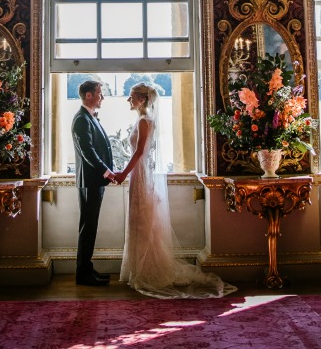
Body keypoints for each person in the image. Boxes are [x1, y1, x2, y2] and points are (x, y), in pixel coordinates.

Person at [112, 83, 236, 299]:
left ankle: (147, 270)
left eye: (131, 96)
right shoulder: (144, 120)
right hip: (139, 176)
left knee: (142, 222)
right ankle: (139, 269)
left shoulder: (144, 121)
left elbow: (140, 152)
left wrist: (123, 173)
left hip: (140, 177)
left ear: (142, 99)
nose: (128, 100)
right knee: (141, 222)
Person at [72, 77, 117, 285]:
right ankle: (83, 274)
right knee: (88, 227)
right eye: (100, 93)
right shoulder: (81, 119)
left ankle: (87, 269)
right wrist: (106, 172)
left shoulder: (89, 117)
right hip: (90, 181)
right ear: (89, 95)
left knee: (91, 226)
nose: (102, 97)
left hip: (94, 181)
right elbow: (88, 151)